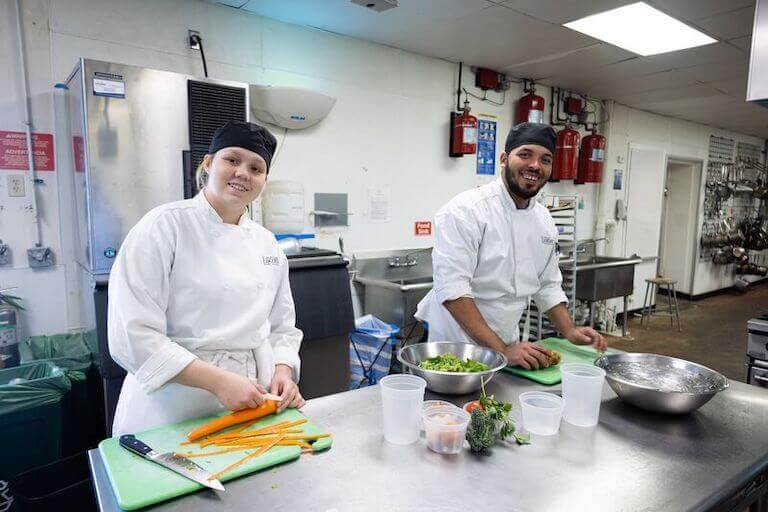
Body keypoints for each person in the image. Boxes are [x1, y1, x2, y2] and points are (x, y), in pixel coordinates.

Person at [108, 121, 304, 435]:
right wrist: (218, 381)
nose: (243, 173)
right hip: (173, 403)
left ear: (264, 180)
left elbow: (282, 325)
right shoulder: (163, 227)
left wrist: (283, 370)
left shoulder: (267, 243)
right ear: (209, 163)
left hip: (252, 398)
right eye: (232, 160)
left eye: (256, 168)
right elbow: (132, 335)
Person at [415, 122, 607, 370]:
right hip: (456, 345)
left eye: (545, 159)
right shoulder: (466, 210)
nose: (535, 165)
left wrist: (570, 331)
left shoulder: (544, 220)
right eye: (525, 154)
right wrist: (502, 350)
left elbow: (547, 284)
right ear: (504, 159)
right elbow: (453, 291)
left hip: (506, 344)